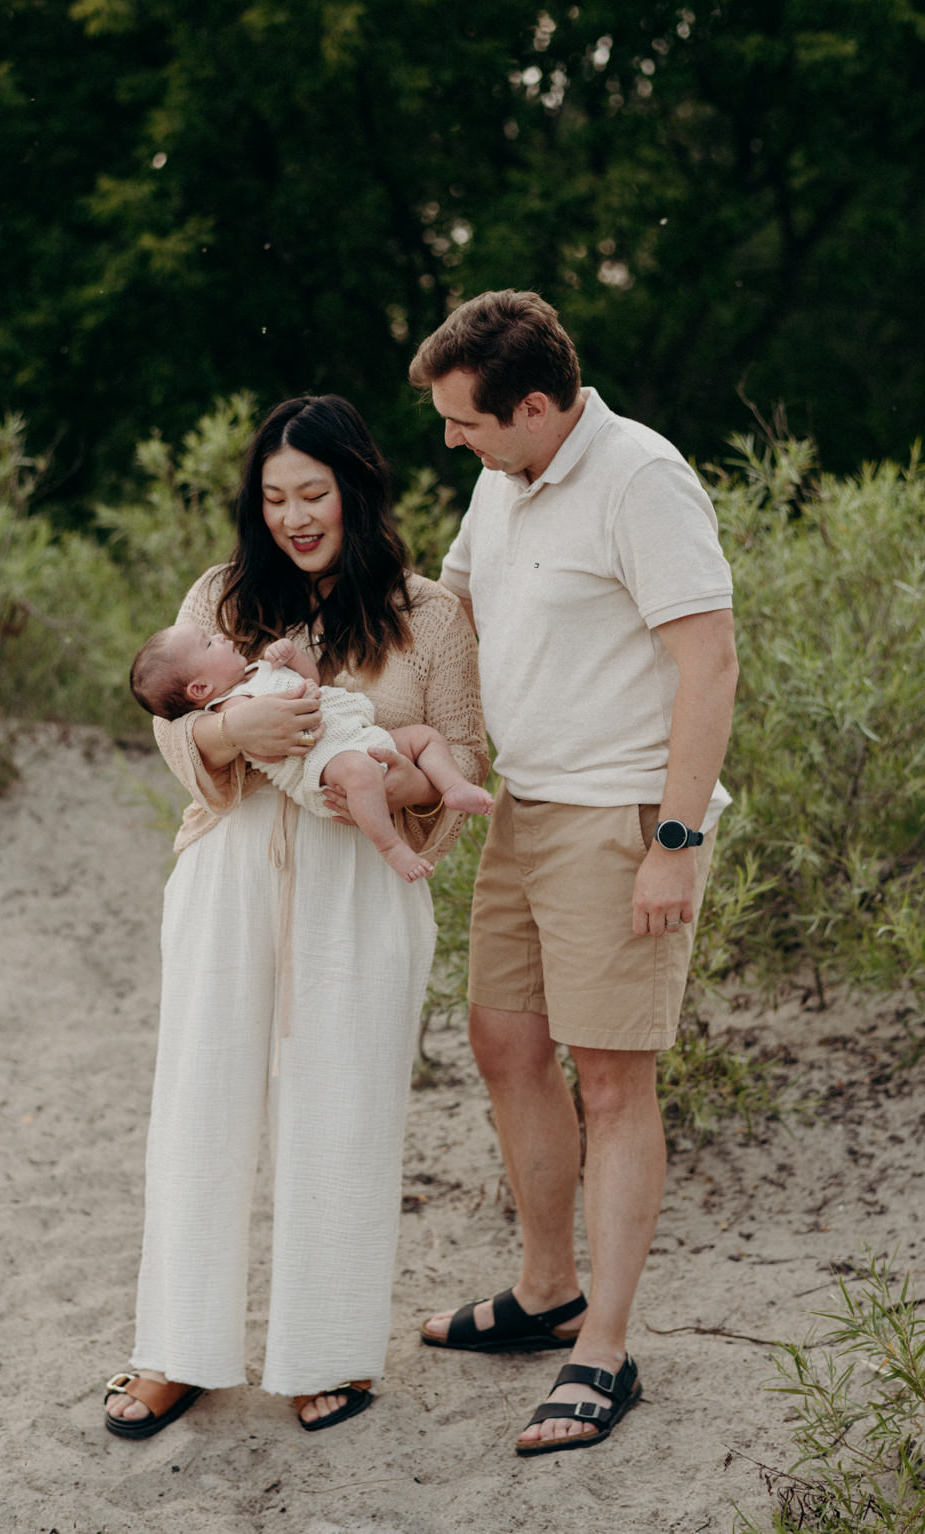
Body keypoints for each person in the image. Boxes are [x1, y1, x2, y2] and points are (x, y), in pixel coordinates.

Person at [104, 394, 488, 1439]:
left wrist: (362, 779)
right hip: (229, 871)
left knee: (344, 1107)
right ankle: (175, 1349)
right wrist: (241, 729)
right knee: (200, 1101)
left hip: (365, 879)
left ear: (356, 489)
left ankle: (324, 1352)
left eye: (313, 492)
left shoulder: (430, 612)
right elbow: (175, 740)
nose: (294, 516)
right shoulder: (221, 595)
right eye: (273, 497)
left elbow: (463, 746)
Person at [407, 291, 738, 1456]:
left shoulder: (640, 477)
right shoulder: (501, 478)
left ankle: (602, 1346)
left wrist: (675, 840)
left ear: (535, 406)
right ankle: (544, 1290)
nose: (453, 439)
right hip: (523, 806)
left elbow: (709, 660)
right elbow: (446, 611)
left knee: (611, 1077)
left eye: (466, 421)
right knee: (502, 1040)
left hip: (619, 818)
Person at [130, 624, 493, 881]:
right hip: (323, 761)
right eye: (209, 643)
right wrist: (244, 730)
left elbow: (311, 681)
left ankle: (451, 786)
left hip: (358, 733)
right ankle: (390, 846)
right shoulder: (230, 706)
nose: (221, 637)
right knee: (361, 773)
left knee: (424, 737)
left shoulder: (256, 671)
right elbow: (267, 751)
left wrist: (290, 657)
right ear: (201, 688)